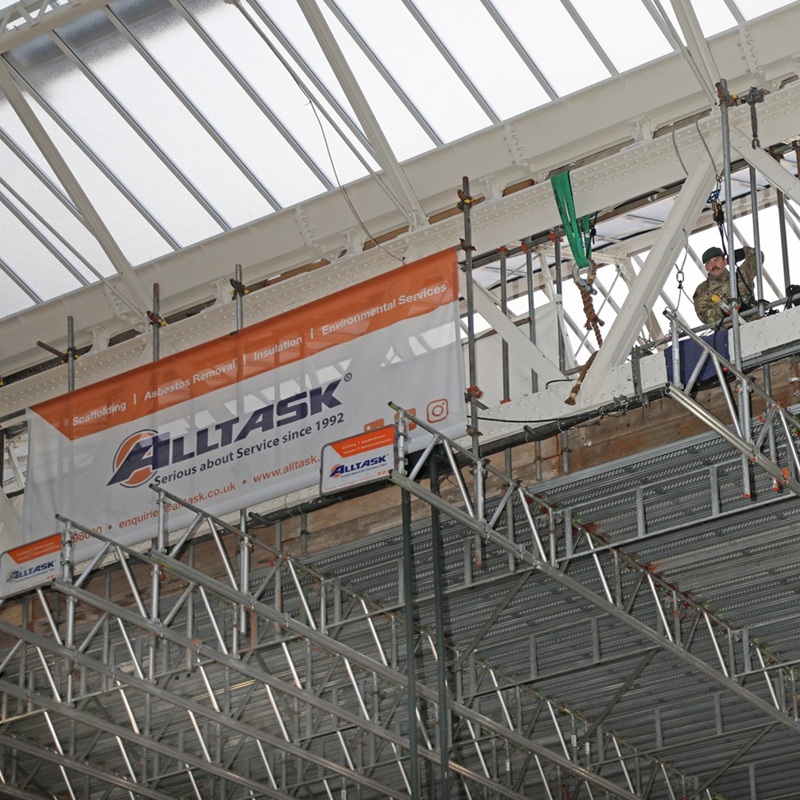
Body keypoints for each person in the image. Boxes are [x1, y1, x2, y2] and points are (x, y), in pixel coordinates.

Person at [693, 245, 759, 327]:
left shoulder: (742, 275)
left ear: (725, 261)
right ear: (706, 267)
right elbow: (703, 316)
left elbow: (758, 255)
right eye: (709, 263)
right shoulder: (702, 290)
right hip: (728, 333)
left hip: (755, 325)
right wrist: (722, 312)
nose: (713, 265)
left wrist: (738, 254)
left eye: (717, 260)